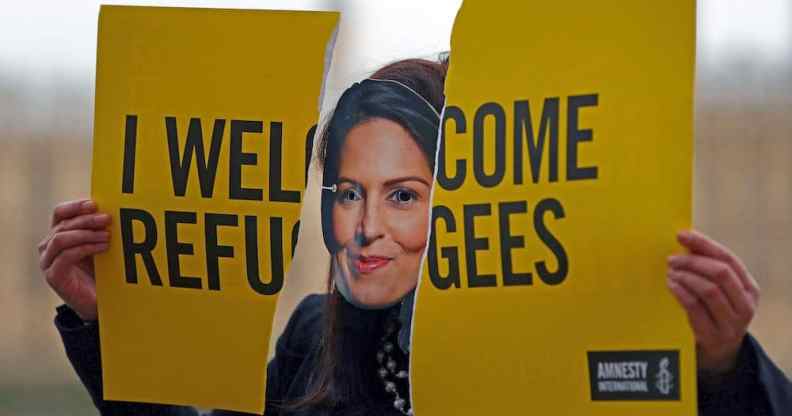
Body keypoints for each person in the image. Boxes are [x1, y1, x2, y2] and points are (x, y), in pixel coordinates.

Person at [40, 58, 791, 415]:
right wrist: (116, 324)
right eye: (345, 192)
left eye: (404, 195)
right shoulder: (315, 338)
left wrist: (722, 368)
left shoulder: (592, 345)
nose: (365, 228)